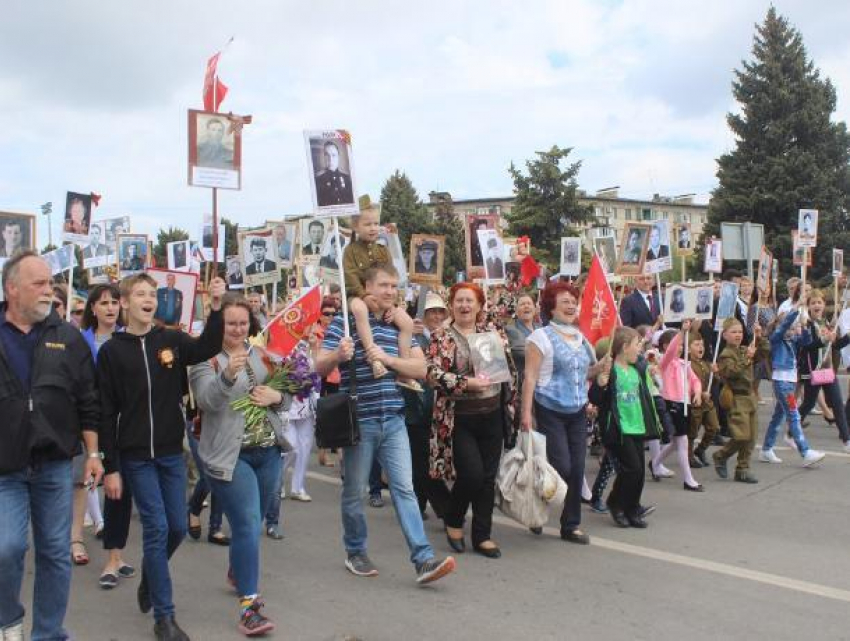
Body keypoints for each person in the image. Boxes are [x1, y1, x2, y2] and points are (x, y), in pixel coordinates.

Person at [97, 275, 225, 641]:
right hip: (135, 455)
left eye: (152, 295)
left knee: (178, 528)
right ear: (125, 303)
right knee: (155, 528)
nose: (148, 299)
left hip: (170, 452)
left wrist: (214, 308)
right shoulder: (112, 351)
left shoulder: (170, 339)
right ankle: (164, 618)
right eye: (140, 294)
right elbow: (105, 412)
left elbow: (206, 348)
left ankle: (151, 579)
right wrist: (110, 466)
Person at [316, 263, 457, 584]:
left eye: (394, 286)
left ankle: (423, 559)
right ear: (367, 286)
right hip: (360, 421)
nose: (390, 292)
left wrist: (390, 359)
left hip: (393, 419)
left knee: (405, 490)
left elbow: (421, 369)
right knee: (354, 492)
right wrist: (338, 355)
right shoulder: (347, 323)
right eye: (383, 285)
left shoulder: (400, 324)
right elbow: (318, 367)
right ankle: (355, 550)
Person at [0, 251, 102, 640]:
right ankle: (8, 620)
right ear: (12, 289)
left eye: (50, 282)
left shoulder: (67, 336)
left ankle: (47, 633)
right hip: (5, 467)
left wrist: (93, 454)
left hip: (55, 464)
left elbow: (87, 400)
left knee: (55, 552)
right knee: (6, 548)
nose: (49, 290)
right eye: (38, 284)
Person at [190, 295, 283, 636]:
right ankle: (249, 607)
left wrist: (278, 397)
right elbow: (206, 401)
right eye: (231, 323)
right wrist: (228, 374)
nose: (238, 329)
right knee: (245, 525)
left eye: (243, 323)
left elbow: (283, 391)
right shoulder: (207, 362)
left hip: (268, 451)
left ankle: (238, 570)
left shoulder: (262, 355)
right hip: (230, 456)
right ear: (220, 325)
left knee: (252, 527)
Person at [426, 282, 518, 558]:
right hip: (459, 417)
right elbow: (432, 375)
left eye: (470, 301)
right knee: (472, 475)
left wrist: (513, 403)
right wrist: (467, 383)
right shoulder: (441, 336)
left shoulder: (493, 334)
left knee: (488, 478)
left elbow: (509, 370)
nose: (464, 305)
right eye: (459, 300)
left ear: (479, 306)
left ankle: (482, 534)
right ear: (452, 305)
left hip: (491, 414)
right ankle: (454, 517)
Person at [521, 281, 606, 543]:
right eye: (565, 301)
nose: (571, 306)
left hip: (577, 411)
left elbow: (585, 373)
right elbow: (530, 377)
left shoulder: (581, 338)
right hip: (550, 409)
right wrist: (525, 413)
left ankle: (571, 525)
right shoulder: (540, 337)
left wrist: (601, 366)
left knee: (578, 467)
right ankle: (537, 508)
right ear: (551, 306)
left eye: (573, 301)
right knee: (561, 466)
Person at [78, 284, 136, 590]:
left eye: (115, 302)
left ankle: (115, 556)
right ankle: (77, 539)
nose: (111, 308)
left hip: (123, 427)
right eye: (104, 303)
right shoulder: (81, 342)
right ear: (93, 309)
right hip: (92, 424)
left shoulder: (130, 338)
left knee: (118, 491)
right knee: (88, 485)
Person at [342, 196, 419, 389]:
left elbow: (391, 277)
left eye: (376, 223)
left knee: (407, 322)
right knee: (360, 310)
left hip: (381, 299)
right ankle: (373, 356)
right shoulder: (350, 251)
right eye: (367, 224)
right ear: (356, 226)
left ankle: (404, 368)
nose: (373, 228)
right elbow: (350, 276)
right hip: (357, 295)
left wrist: (394, 304)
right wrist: (364, 295)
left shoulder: (383, 251)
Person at [589, 326, 661, 528]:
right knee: (632, 469)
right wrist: (600, 384)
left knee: (638, 472)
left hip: (637, 425)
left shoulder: (636, 369)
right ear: (624, 346)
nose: (640, 348)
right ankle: (616, 503)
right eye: (637, 344)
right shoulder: (610, 370)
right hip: (619, 428)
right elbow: (595, 398)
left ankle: (631, 508)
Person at [759, 305, 826, 466]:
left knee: (778, 417)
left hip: (789, 381)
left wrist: (803, 325)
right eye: (792, 326)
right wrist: (795, 310)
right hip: (781, 382)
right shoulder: (776, 338)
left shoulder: (793, 340)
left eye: (794, 326)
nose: (793, 329)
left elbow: (807, 340)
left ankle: (766, 449)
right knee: (794, 415)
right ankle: (805, 451)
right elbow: (782, 327)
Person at [404, 293, 451, 520]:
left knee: (432, 460)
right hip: (418, 407)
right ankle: (435, 504)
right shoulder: (414, 338)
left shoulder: (446, 338)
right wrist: (407, 335)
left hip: (442, 409)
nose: (436, 315)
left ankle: (427, 503)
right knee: (421, 459)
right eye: (432, 311)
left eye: (440, 311)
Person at [649, 324, 704, 491]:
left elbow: (695, 380)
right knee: (682, 441)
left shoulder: (683, 364)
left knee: (676, 442)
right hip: (671, 403)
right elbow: (671, 351)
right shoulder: (664, 362)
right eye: (678, 344)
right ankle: (688, 479)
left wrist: (698, 393)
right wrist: (682, 332)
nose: (680, 348)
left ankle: (655, 462)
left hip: (684, 404)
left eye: (682, 345)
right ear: (666, 346)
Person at [711, 318, 766, 484]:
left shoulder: (743, 350)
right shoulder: (726, 355)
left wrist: (759, 337)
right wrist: (746, 359)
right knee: (741, 435)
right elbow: (732, 373)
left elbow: (764, 353)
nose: (738, 335)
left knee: (751, 437)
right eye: (733, 332)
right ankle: (721, 455)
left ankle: (742, 469)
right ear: (725, 335)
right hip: (737, 397)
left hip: (750, 397)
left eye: (740, 332)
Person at [797, 289, 850, 452]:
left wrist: (846, 337)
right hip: (814, 370)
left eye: (819, 302)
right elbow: (806, 347)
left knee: (837, 404)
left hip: (827, 370)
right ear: (808, 306)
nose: (816, 305)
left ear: (824, 305)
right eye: (813, 303)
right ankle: (792, 430)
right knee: (808, 404)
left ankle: (846, 440)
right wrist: (823, 340)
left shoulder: (825, 323)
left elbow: (835, 346)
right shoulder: (807, 324)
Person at [505, 293, 540, 392]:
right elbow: (522, 352)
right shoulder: (510, 330)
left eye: (529, 303)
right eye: (522, 304)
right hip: (523, 384)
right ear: (516, 311)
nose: (526, 306)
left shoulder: (541, 328)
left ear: (535, 309)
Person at [314, 141, 354, 206]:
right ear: (324, 157)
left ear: (338, 157)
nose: (330, 159)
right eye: (327, 155)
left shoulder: (348, 179)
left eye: (333, 155)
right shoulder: (318, 181)